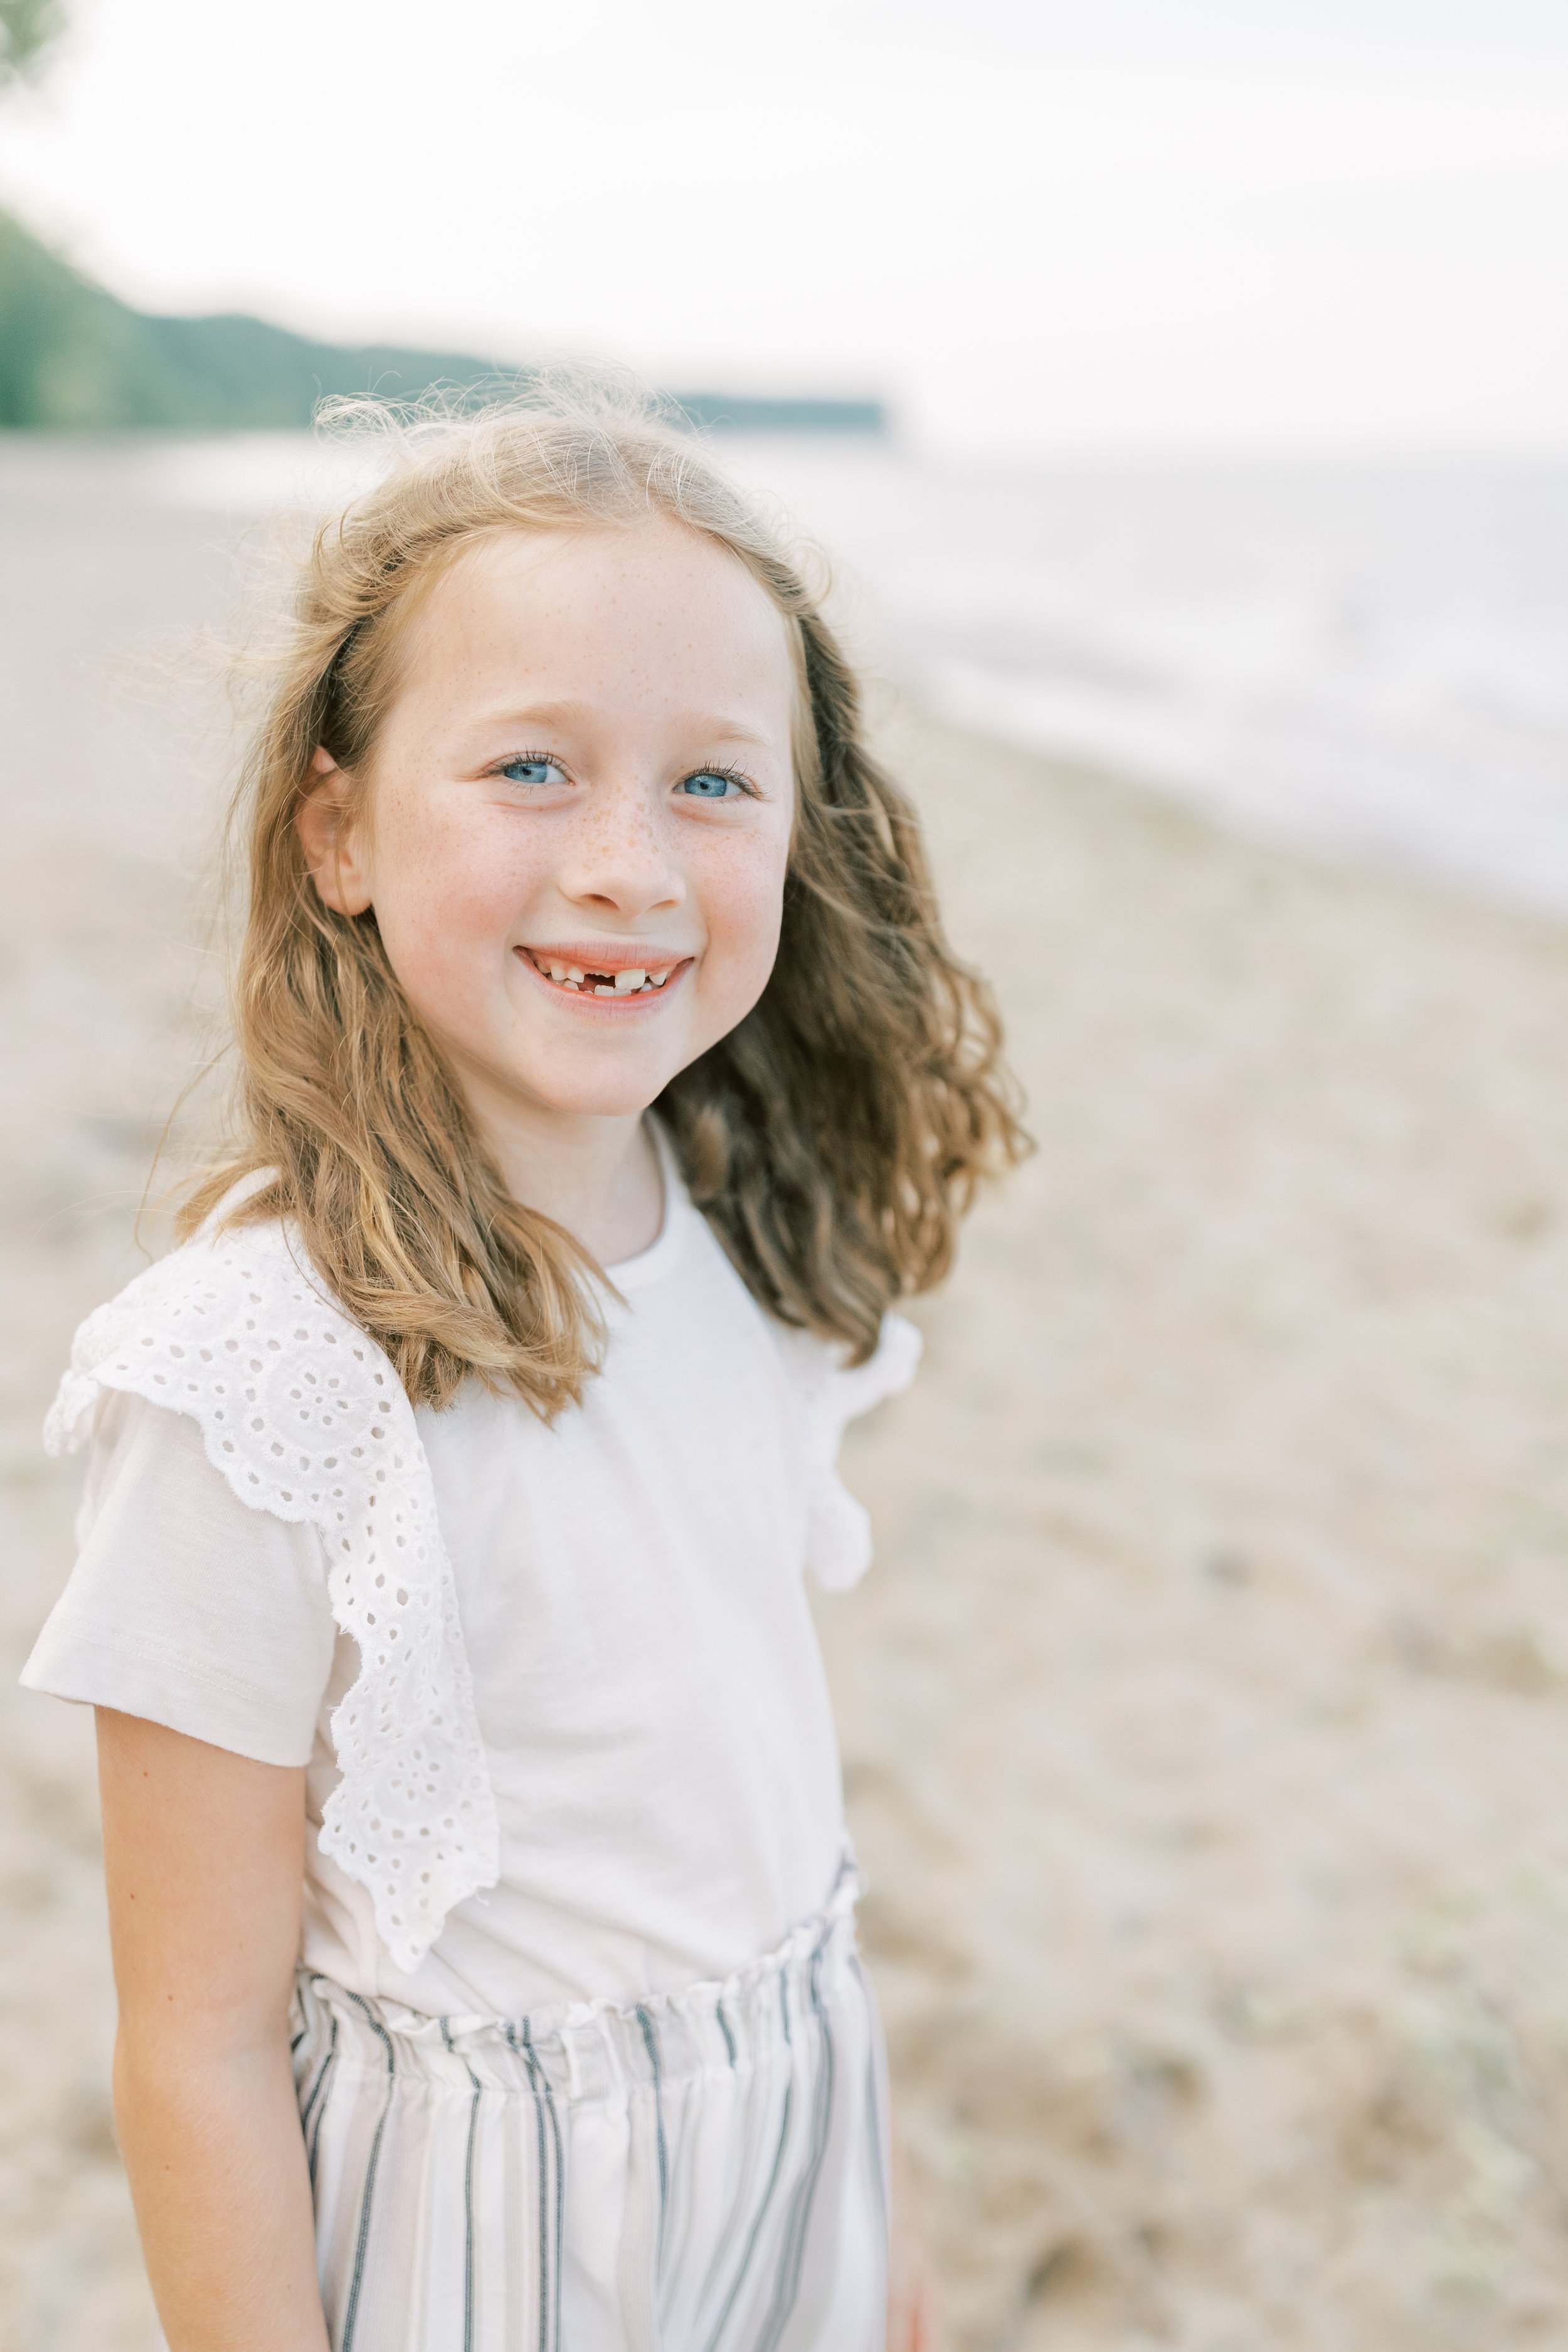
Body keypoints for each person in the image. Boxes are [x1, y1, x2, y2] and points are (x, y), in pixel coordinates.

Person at [23, 384, 1025, 2350]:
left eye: (714, 784)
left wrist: (871, 2228)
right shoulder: (255, 1377)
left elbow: (772, 1806)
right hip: (504, 2243)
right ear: (340, 830)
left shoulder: (723, 1232)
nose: (630, 865)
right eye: (533, 769)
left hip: (790, 2138)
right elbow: (196, 2045)